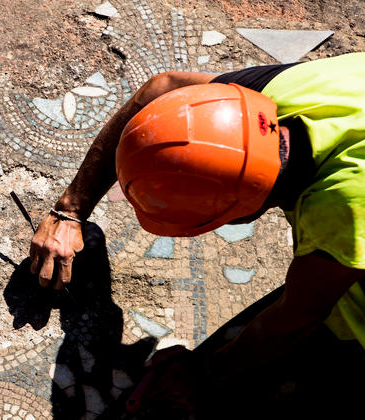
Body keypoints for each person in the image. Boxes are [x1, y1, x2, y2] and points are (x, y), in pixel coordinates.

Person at [24, 53, 365, 399]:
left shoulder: (343, 212)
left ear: (240, 216)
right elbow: (163, 90)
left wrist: (202, 375)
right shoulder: (284, 93)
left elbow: (298, 316)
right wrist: (70, 209)